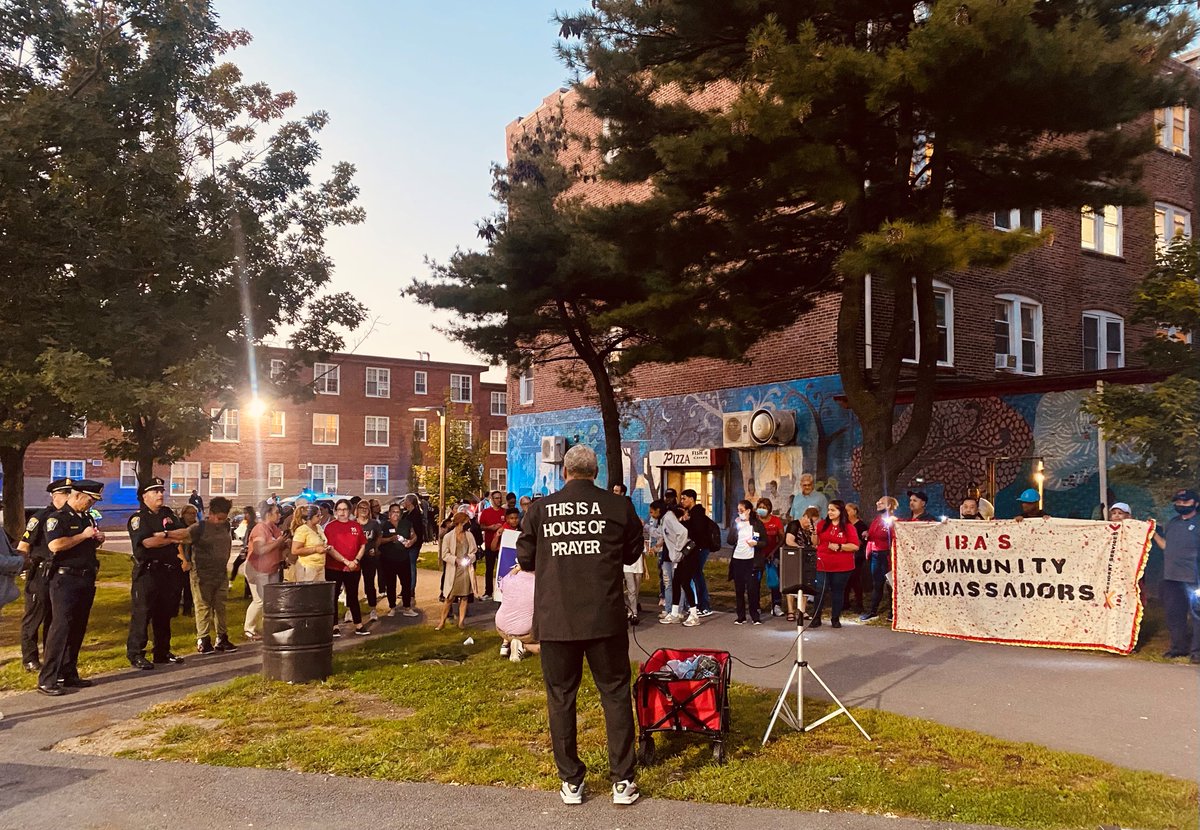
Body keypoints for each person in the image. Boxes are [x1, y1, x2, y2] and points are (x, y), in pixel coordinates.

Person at [517, 444, 643, 806]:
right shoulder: (618, 507)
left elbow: (525, 559)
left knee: (560, 698)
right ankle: (622, 781)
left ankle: (571, 781)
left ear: (564, 472)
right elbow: (633, 552)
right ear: (596, 471)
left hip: (557, 619)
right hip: (604, 617)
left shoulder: (540, 510)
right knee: (615, 694)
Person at [38, 479, 106, 695]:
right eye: (89, 500)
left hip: (85, 578)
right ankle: (48, 678)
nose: (91, 505)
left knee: (78, 626)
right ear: (76, 496)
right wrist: (82, 535)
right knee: (61, 628)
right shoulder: (57, 518)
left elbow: (85, 544)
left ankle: (69, 673)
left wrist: (96, 539)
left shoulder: (85, 518)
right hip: (64, 580)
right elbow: (55, 545)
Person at [127, 478, 191, 670]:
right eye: (155, 491)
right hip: (148, 571)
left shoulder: (168, 514)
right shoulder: (139, 518)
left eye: (161, 490)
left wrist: (162, 535)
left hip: (168, 570)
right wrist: (169, 536)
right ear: (144, 496)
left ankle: (162, 651)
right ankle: (136, 653)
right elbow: (147, 542)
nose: (160, 494)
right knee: (143, 613)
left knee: (164, 613)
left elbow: (186, 534)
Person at [18, 478, 73, 672]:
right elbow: (23, 546)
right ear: (54, 496)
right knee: (34, 616)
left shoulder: (70, 518)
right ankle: (30, 658)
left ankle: (51, 657)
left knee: (55, 618)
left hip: (61, 574)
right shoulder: (40, 517)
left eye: (70, 493)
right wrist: (23, 568)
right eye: (65, 493)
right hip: (40, 572)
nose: (68, 498)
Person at [1152, 489, 1200, 662]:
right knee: (1174, 615)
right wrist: (1154, 535)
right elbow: (1167, 546)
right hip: (1171, 577)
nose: (1181, 505)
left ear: (1196, 503)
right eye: (1178, 502)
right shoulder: (1172, 523)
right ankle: (1178, 648)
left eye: (1185, 502)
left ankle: (1197, 653)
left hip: (1194, 578)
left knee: (1197, 616)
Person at [186, 496, 238, 654]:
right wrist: (185, 560)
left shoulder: (226, 526)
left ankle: (222, 637)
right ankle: (203, 638)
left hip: (220, 573)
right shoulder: (198, 528)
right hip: (202, 574)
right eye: (219, 518)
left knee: (220, 607)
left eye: (224, 518)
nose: (221, 521)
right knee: (203, 606)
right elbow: (182, 540)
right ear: (211, 513)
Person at [809, 500, 860, 629]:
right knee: (820, 590)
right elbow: (815, 542)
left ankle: (835, 618)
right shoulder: (822, 524)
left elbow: (855, 546)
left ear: (840, 512)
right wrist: (814, 532)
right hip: (823, 563)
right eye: (829, 510)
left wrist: (839, 546)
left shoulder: (848, 527)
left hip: (842, 566)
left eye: (833, 510)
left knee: (838, 591)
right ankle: (816, 617)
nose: (829, 512)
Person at [243, 502, 289, 640]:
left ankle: (267, 626)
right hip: (257, 569)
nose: (279, 515)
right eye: (277, 512)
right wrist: (279, 542)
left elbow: (280, 544)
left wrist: (284, 545)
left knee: (271, 600)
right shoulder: (260, 529)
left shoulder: (274, 528)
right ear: (268, 514)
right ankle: (249, 629)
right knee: (260, 600)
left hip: (272, 568)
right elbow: (259, 550)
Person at [325, 499, 370, 636]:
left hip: (353, 568)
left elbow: (362, 544)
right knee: (333, 597)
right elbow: (330, 549)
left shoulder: (356, 526)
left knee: (352, 596)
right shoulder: (330, 527)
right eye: (339, 509)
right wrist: (346, 561)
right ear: (335, 511)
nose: (342, 512)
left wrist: (355, 560)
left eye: (345, 509)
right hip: (334, 567)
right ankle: (334, 626)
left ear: (350, 511)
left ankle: (358, 624)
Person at [652, 499, 700, 627]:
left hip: (688, 554)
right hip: (681, 556)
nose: (651, 515)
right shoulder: (664, 519)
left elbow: (682, 532)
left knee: (684, 583)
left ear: (658, 510)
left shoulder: (668, 518)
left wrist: (678, 550)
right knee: (676, 583)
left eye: (652, 512)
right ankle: (674, 613)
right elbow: (660, 534)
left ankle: (694, 614)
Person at [436, 511, 478, 630]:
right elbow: (444, 554)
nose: (468, 524)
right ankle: (442, 622)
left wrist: (469, 558)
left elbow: (474, 551)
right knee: (449, 597)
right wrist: (455, 560)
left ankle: (461, 622)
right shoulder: (448, 537)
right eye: (465, 522)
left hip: (465, 571)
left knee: (464, 597)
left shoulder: (469, 535)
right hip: (453, 570)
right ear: (459, 523)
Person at [729, 499, 767, 625]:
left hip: (751, 560)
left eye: (742, 510)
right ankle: (741, 616)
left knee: (752, 589)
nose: (740, 513)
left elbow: (764, 542)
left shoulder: (756, 524)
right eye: (738, 510)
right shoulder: (737, 523)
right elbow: (730, 540)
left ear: (749, 511)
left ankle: (755, 615)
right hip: (738, 559)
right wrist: (734, 527)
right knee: (739, 589)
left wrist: (756, 543)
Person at [861, 496, 898, 621]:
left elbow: (894, 537)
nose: (878, 503)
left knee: (890, 584)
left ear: (889, 506)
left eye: (881, 503)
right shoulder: (877, 519)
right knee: (877, 584)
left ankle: (893, 612)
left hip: (887, 555)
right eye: (878, 501)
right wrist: (867, 534)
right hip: (876, 555)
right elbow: (872, 535)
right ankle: (873, 611)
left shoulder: (893, 521)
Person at [379, 502, 419, 617]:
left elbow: (414, 535)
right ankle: (392, 606)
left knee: (406, 583)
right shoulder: (384, 526)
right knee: (390, 584)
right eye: (393, 512)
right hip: (388, 559)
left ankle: (407, 607)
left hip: (403, 558)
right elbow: (379, 541)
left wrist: (411, 541)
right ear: (389, 514)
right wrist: (390, 539)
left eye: (398, 512)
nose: (395, 514)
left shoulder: (406, 524)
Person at [677, 489, 713, 618]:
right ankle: (697, 604)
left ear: (691, 499)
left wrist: (685, 523)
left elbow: (697, 531)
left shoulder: (697, 513)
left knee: (697, 575)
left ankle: (704, 606)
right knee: (695, 575)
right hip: (697, 548)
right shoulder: (692, 513)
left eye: (684, 498)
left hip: (700, 548)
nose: (682, 501)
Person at [495, 563, 541, 661]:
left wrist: (517, 568)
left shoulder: (508, 579)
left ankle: (506, 644)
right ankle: (524, 646)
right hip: (525, 634)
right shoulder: (540, 584)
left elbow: (504, 580)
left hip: (501, 629)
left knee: (513, 607)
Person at [783, 506, 821, 621]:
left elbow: (815, 543)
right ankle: (790, 610)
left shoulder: (811, 529)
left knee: (805, 582)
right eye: (810, 521)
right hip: (793, 557)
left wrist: (814, 532)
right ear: (805, 517)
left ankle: (802, 610)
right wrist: (800, 548)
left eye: (814, 522)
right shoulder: (794, 525)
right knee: (791, 583)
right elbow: (789, 540)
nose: (810, 524)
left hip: (806, 558)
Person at [353, 500, 383, 622]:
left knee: (369, 583)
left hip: (369, 557)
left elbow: (379, 536)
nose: (364, 510)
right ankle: (351, 609)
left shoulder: (374, 524)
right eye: (361, 507)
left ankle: (373, 609)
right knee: (352, 584)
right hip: (355, 557)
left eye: (366, 508)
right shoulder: (353, 523)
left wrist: (375, 548)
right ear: (357, 509)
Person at [756, 497, 785, 617]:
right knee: (755, 581)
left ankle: (776, 605)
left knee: (775, 581)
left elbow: (781, 538)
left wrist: (773, 552)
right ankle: (756, 605)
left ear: (769, 509)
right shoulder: (755, 521)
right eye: (760, 507)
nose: (762, 510)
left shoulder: (776, 521)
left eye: (764, 507)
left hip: (772, 554)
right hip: (757, 555)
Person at [290, 506, 329, 584]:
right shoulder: (302, 530)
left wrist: (325, 547)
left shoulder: (319, 527)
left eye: (320, 515)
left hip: (320, 566)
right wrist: (315, 549)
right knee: (308, 593)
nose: (320, 518)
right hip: (307, 567)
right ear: (310, 517)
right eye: (317, 516)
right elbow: (294, 550)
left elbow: (321, 541)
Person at [479, 490, 506, 600]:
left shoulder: (505, 512)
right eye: (496, 498)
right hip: (490, 545)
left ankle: (503, 590)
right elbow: (481, 526)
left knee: (503, 569)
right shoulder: (486, 512)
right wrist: (491, 528)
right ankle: (488, 592)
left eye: (500, 498)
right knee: (489, 569)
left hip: (502, 545)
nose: (499, 500)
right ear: (492, 499)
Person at [227, 505, 255, 598]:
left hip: (249, 550)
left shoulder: (253, 525)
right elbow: (241, 534)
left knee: (247, 570)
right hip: (245, 549)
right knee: (237, 565)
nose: (245, 515)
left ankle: (248, 592)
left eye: (246, 513)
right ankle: (246, 591)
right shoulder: (246, 524)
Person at [177, 503, 198, 616]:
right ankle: (173, 609)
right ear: (184, 514)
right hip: (180, 559)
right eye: (190, 513)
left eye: (194, 514)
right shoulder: (179, 525)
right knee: (177, 586)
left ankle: (187, 609)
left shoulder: (196, 526)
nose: (192, 516)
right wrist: (184, 560)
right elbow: (178, 543)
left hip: (193, 560)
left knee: (189, 586)